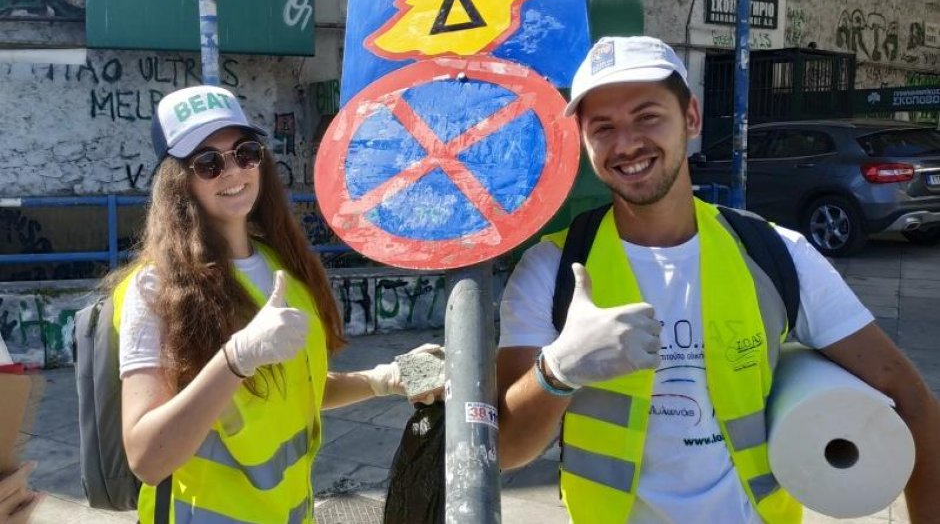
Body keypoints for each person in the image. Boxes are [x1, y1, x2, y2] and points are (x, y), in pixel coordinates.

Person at [496, 37, 940, 523]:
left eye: (647, 116)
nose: (625, 144)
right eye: (603, 127)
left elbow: (911, 399)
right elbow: (506, 449)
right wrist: (558, 371)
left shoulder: (775, 254)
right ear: (583, 140)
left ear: (691, 118)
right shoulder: (552, 269)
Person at [115, 85, 433, 524]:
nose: (233, 172)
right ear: (179, 180)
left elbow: (292, 392)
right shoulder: (156, 289)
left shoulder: (281, 265)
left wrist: (388, 378)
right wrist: (236, 358)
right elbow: (147, 458)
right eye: (208, 162)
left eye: (245, 153)